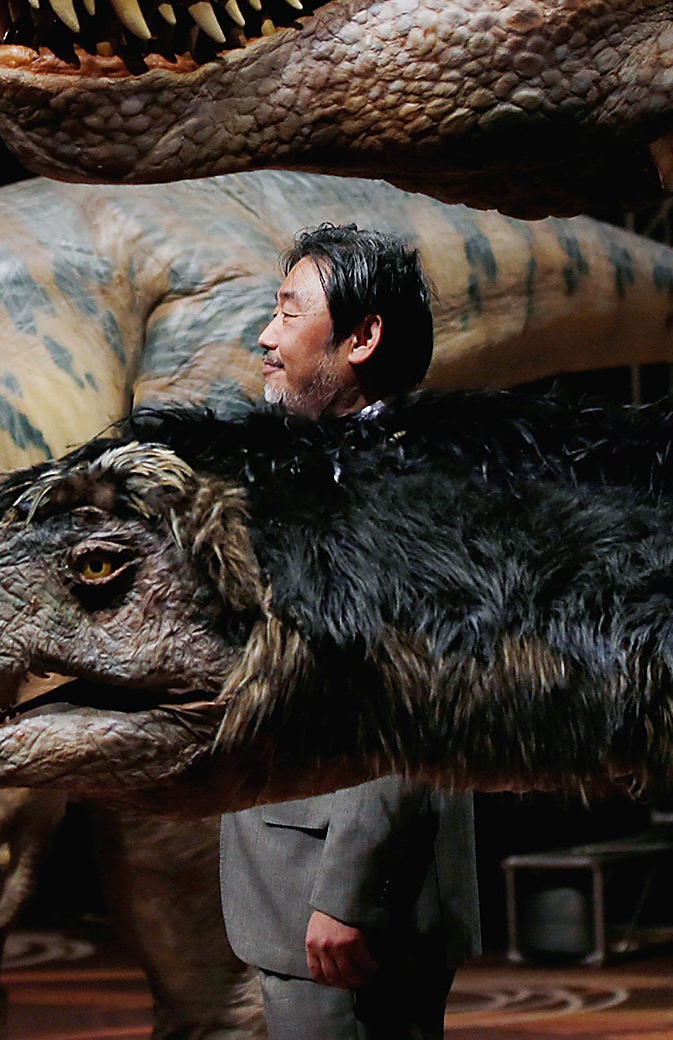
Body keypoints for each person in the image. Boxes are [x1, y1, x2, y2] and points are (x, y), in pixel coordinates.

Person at [220, 223, 482, 1040]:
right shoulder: (321, 471)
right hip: (308, 897)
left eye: (290, 313)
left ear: (363, 338)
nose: (267, 336)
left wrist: (347, 893)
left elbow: (411, 712)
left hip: (341, 910)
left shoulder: (401, 491)